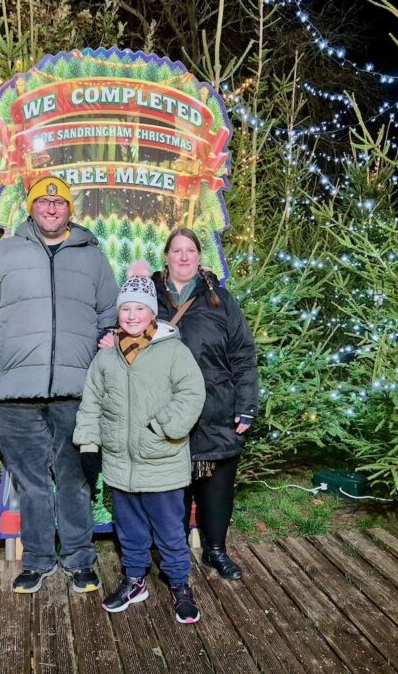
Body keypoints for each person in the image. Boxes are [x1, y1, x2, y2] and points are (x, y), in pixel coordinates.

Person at [0, 175, 119, 594]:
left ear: (70, 209)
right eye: (43, 202)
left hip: (77, 394)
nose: (51, 209)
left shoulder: (93, 258)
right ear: (31, 207)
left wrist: (104, 355)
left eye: (59, 203)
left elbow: (110, 317)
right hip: (15, 396)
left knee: (75, 481)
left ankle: (81, 560)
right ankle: (37, 560)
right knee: (30, 484)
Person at [74, 263, 207, 623]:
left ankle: (179, 584)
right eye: (126, 309)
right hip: (120, 465)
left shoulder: (172, 351)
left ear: (152, 313)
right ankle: (135, 581)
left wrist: (162, 429)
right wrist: (88, 445)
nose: (132, 315)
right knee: (129, 531)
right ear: (119, 314)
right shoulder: (105, 357)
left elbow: (192, 393)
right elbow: (92, 404)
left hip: (161, 462)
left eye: (139, 308)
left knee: (169, 531)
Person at [153, 227, 259, 580]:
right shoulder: (150, 297)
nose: (183, 256)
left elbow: (243, 354)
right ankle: (175, 555)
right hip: (166, 410)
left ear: (200, 258)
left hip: (215, 408)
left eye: (190, 251)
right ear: (166, 257)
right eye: (176, 250)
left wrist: (246, 404)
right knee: (172, 491)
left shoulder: (220, 299)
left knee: (216, 489)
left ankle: (215, 551)